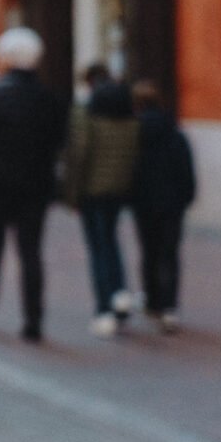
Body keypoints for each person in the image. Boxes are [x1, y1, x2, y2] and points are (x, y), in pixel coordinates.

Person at [0, 27, 67, 342]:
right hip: (36, 183)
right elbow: (60, 140)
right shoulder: (51, 99)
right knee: (31, 251)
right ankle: (33, 321)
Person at [64, 62, 140, 338]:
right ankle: (120, 294)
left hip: (91, 192)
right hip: (118, 191)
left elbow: (78, 156)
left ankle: (104, 309)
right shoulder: (129, 115)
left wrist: (70, 194)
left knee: (98, 248)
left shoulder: (86, 114)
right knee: (111, 242)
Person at [130, 80, 195, 333]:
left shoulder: (135, 133)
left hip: (144, 201)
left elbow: (131, 170)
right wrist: (186, 197)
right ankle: (170, 307)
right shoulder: (175, 132)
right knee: (170, 253)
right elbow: (186, 170)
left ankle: (152, 300)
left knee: (149, 251)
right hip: (172, 202)